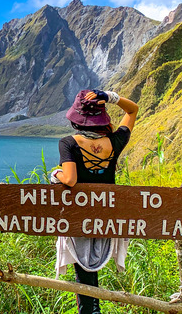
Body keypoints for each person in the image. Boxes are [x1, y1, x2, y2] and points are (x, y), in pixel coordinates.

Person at [48, 89, 138, 314]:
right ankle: (93, 308)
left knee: (83, 271)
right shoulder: (115, 141)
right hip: (107, 214)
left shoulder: (68, 143)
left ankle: (90, 310)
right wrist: (110, 96)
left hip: (79, 215)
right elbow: (133, 109)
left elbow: (70, 179)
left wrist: (54, 175)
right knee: (91, 271)